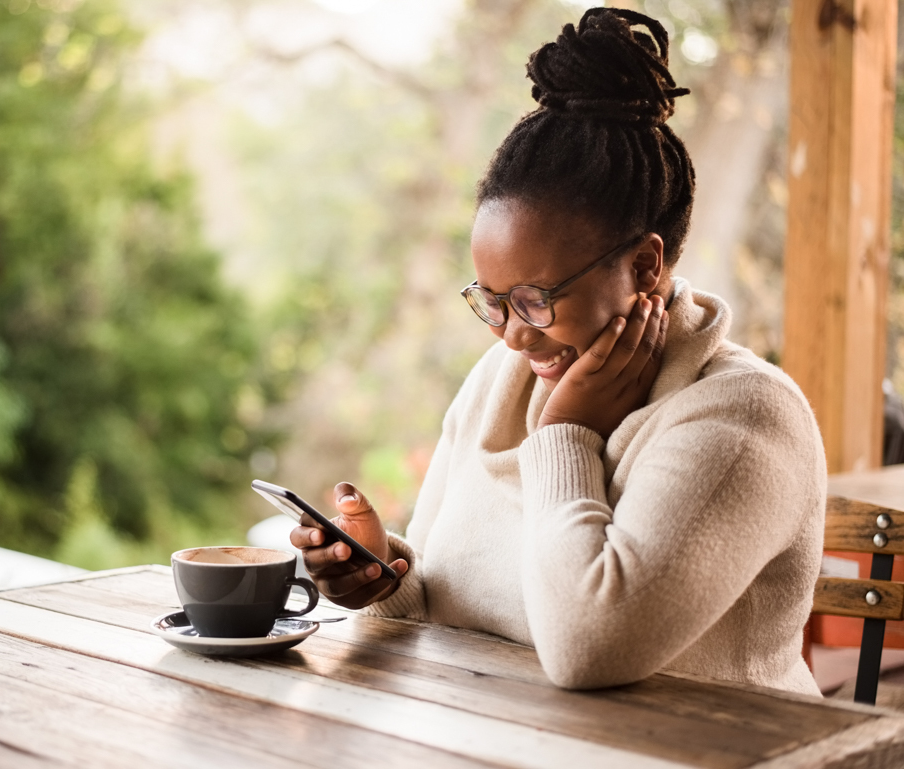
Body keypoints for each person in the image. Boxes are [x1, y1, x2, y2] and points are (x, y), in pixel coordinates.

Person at [290, 8, 825, 695]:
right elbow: (445, 607)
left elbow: (586, 650)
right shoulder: (505, 378)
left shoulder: (748, 419)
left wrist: (568, 434)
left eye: (538, 299)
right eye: (491, 299)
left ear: (643, 266)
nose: (512, 334)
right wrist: (382, 580)